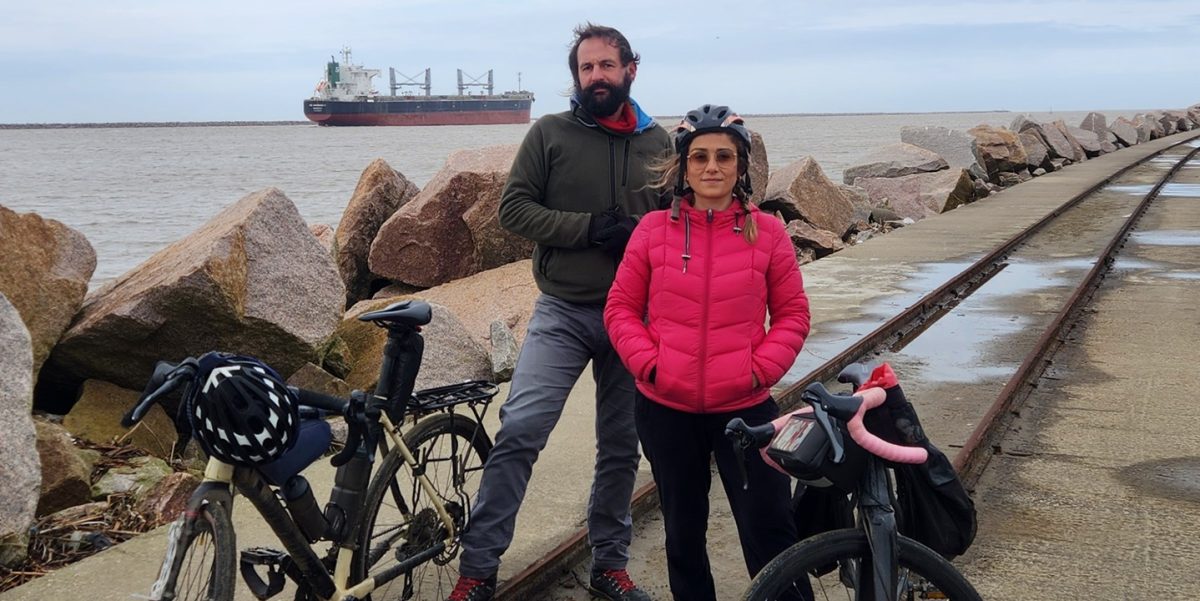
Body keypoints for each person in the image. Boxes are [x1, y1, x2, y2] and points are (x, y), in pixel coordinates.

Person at [446, 23, 670, 601]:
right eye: (586, 68)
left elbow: (686, 221)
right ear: (576, 76)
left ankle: (609, 567)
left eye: (606, 66)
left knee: (622, 446)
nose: (596, 76)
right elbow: (513, 210)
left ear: (630, 71)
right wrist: (589, 228)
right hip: (563, 311)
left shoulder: (661, 144)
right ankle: (478, 571)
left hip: (636, 318)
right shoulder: (549, 134)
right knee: (521, 428)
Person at [603, 105, 813, 601]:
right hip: (665, 409)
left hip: (745, 410)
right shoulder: (653, 231)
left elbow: (792, 315)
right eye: (699, 157)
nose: (712, 167)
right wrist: (649, 364)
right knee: (683, 534)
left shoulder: (769, 232)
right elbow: (620, 309)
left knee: (770, 529)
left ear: (741, 166)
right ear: (683, 167)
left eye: (724, 156)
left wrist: (758, 369)